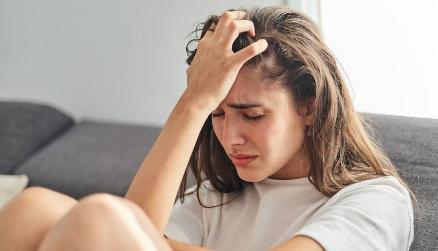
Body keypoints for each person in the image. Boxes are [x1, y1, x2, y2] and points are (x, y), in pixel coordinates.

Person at [0, 6, 414, 251]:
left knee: (99, 214)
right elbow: (132, 235)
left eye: (252, 115)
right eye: (216, 114)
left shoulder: (375, 199)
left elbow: (116, 231)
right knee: (35, 206)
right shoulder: (214, 198)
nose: (231, 137)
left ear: (311, 105)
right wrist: (193, 102)